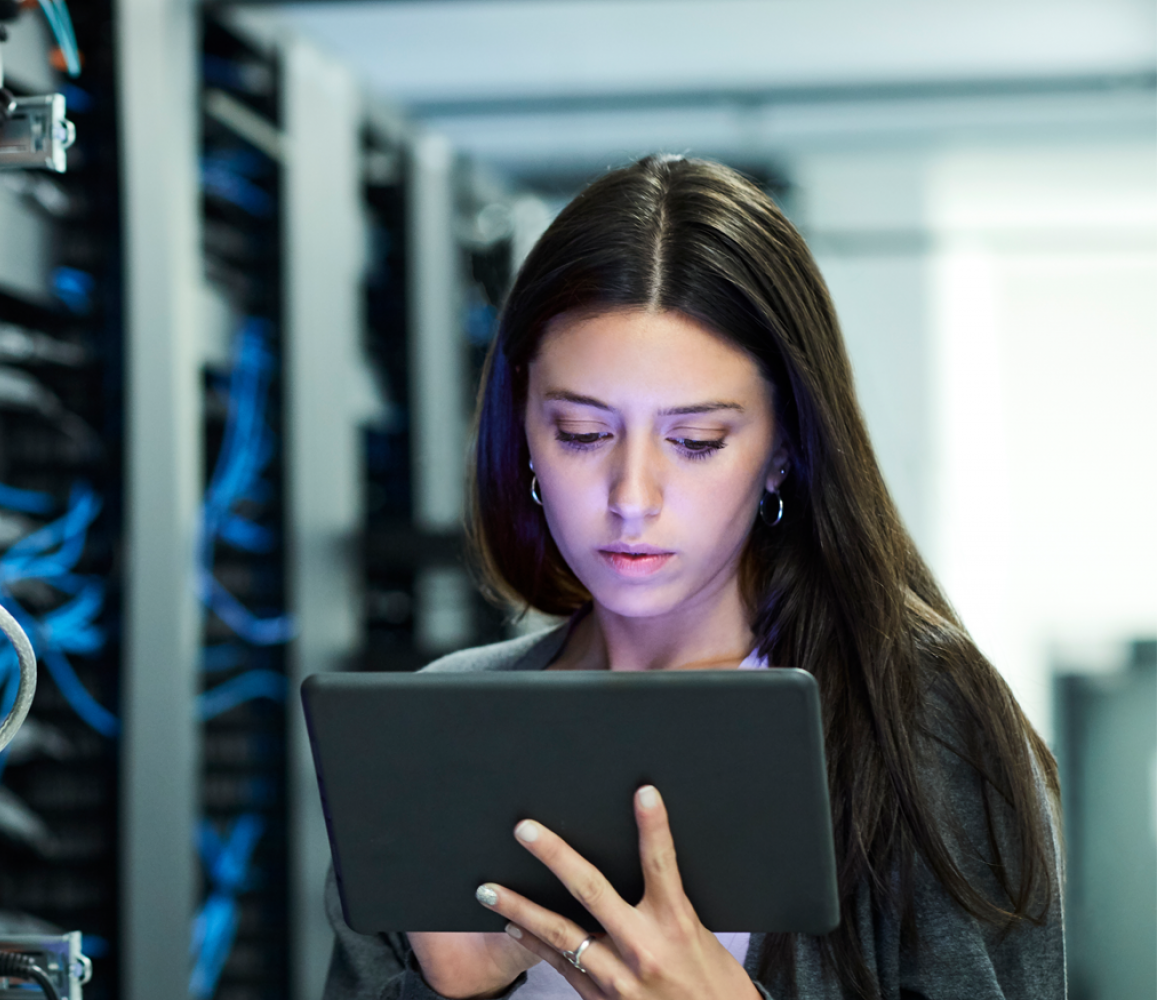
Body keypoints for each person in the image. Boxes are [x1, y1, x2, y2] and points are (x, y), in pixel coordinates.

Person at [322, 156, 1063, 1000]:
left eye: (697, 441)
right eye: (580, 433)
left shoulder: (918, 722)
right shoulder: (440, 732)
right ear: (521, 424)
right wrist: (459, 988)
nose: (632, 499)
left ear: (786, 447)